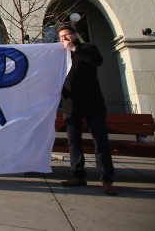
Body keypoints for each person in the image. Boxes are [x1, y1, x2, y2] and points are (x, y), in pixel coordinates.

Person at [58, 25, 117, 196]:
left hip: (93, 103)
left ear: (74, 35)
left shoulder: (87, 48)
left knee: (100, 142)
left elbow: (97, 61)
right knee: (73, 142)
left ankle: (107, 179)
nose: (64, 39)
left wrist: (75, 49)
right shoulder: (61, 55)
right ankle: (78, 175)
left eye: (67, 35)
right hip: (71, 104)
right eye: (61, 37)